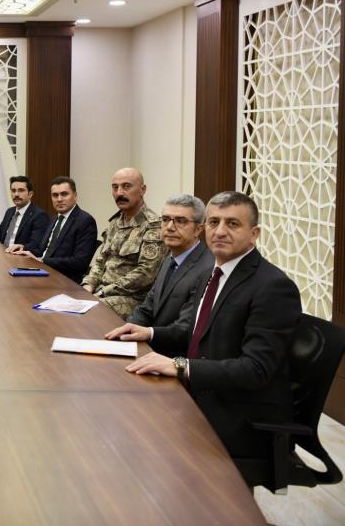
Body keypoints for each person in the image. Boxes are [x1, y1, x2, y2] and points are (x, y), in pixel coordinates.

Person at [106, 192, 300, 460]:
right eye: (213, 222)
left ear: (254, 233)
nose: (220, 231)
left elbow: (256, 369)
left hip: (241, 414)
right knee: (118, 410)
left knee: (136, 441)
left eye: (232, 224)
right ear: (204, 228)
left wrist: (180, 366)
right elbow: (195, 332)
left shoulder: (273, 287)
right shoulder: (212, 272)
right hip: (205, 390)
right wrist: (148, 332)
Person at [124, 194, 215, 355]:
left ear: (198, 230)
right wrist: (127, 330)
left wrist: (149, 333)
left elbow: (185, 329)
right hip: (150, 349)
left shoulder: (208, 269)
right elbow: (147, 307)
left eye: (180, 221)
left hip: (176, 359)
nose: (170, 227)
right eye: (165, 219)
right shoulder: (169, 258)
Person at [81, 167, 166, 318]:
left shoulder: (153, 226)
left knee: (90, 314)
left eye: (127, 186)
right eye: (115, 187)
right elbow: (101, 260)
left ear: (142, 189)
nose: (120, 193)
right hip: (101, 292)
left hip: (133, 298)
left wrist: (103, 292)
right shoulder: (115, 222)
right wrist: (89, 285)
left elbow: (145, 274)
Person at [9, 176, 97, 284]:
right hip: (43, 272)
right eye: (55, 195)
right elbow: (43, 250)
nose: (59, 199)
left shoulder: (85, 221)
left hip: (64, 281)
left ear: (75, 196)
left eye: (64, 194)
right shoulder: (54, 219)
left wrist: (42, 261)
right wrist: (23, 248)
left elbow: (80, 262)